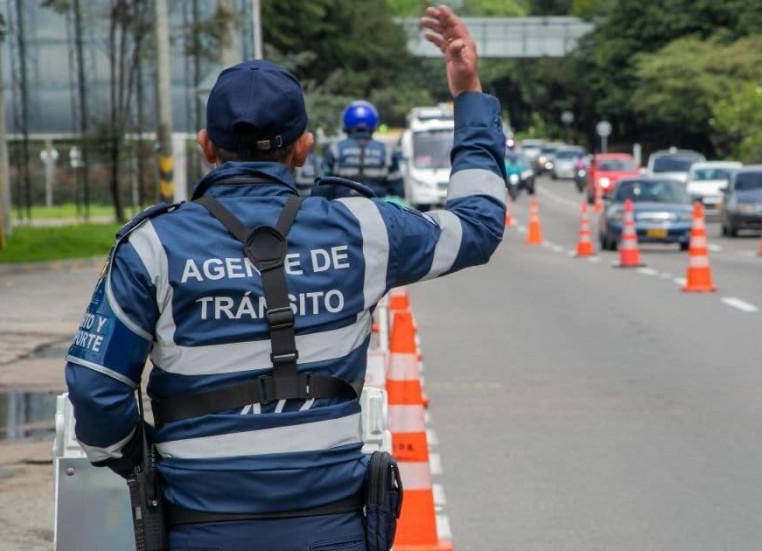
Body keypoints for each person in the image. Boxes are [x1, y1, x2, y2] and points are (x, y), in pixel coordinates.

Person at [63, 6, 502, 550]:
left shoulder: (152, 246)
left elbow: (96, 390)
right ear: (304, 147)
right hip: (334, 529)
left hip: (199, 531)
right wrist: (469, 95)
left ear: (206, 147)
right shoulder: (364, 228)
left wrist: (143, 461)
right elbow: (478, 226)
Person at [316, 100, 405, 199]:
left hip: (341, 211)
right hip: (376, 210)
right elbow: (398, 193)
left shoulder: (334, 150)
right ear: (373, 123)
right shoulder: (388, 152)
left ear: (346, 122)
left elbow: (321, 190)